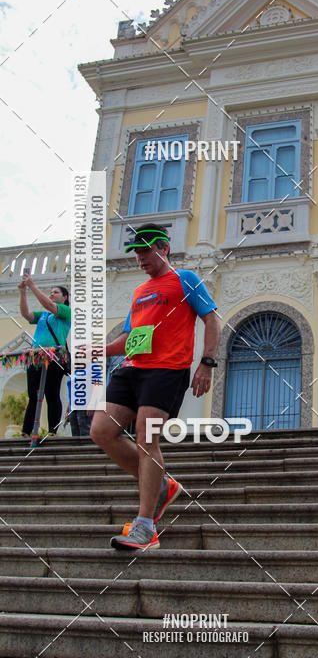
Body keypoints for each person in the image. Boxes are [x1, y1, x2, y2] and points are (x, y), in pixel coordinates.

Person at [90, 224, 220, 551]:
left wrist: (206, 362)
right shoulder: (139, 292)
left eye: (145, 251)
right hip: (132, 369)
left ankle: (145, 526)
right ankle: (161, 485)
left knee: (148, 438)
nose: (140, 258)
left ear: (163, 248)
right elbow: (133, 338)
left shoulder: (186, 279)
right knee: (101, 431)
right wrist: (99, 350)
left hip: (167, 371)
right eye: (136, 252)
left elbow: (211, 319)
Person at [18, 277, 71, 441]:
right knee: (33, 395)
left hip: (55, 358)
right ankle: (26, 431)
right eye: (51, 292)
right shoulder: (43, 316)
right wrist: (23, 292)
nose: (51, 294)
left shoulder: (65, 311)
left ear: (65, 297)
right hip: (36, 358)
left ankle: (52, 431)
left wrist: (32, 285)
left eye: (55, 292)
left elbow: (49, 305)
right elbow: (27, 314)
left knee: (52, 394)